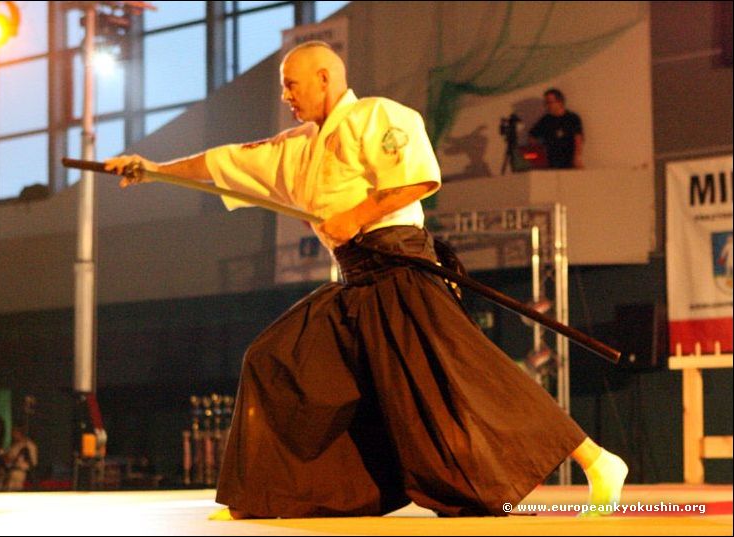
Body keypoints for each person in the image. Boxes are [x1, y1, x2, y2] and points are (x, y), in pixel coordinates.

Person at [105, 41, 627, 519]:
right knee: (274, 359)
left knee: (469, 377)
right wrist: (155, 169)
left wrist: (357, 214)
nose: (285, 94)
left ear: (326, 78)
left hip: (401, 268)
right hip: (356, 281)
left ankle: (596, 460)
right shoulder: (296, 147)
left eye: (292, 83)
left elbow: (419, 176)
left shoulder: (376, 115)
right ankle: (264, 495)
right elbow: (225, 163)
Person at [529, 88, 584, 169]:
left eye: (549, 102)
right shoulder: (545, 120)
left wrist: (576, 158)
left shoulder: (572, 118)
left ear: (560, 102)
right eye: (546, 103)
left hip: (569, 162)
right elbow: (532, 137)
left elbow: (578, 139)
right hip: (550, 163)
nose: (547, 106)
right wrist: (539, 154)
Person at [4, 425, 38, 491]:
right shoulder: (14, 445)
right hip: (10, 471)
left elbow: (33, 462)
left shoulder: (29, 445)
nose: (13, 435)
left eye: (14, 432)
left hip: (19, 472)